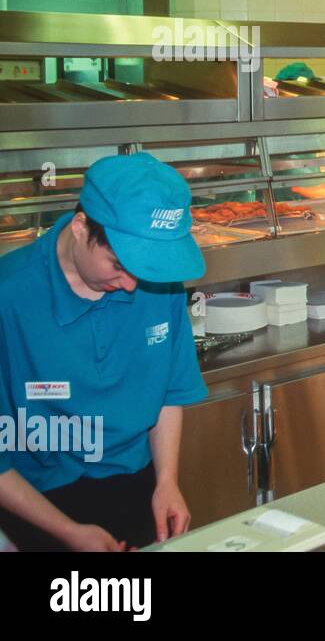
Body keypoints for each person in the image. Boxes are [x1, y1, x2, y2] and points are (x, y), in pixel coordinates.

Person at [0, 153, 209, 551]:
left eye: (143, 270)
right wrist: (68, 532)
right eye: (117, 264)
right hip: (35, 501)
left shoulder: (158, 283)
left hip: (135, 484)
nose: (132, 285)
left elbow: (165, 392)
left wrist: (167, 482)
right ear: (81, 228)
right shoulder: (9, 298)